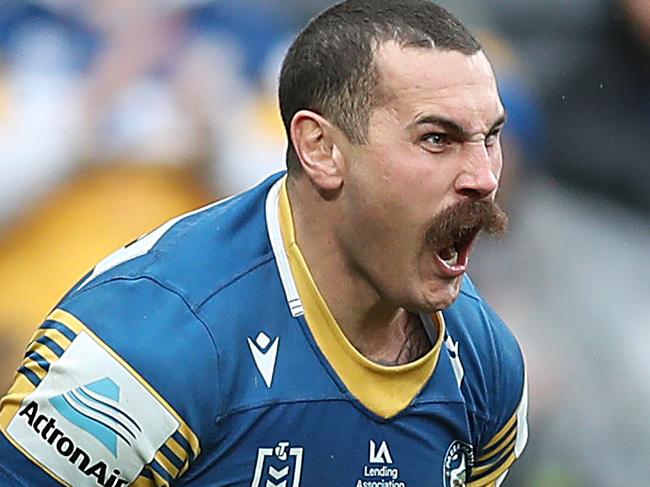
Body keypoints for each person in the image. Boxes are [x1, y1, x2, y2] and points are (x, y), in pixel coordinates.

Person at [0, 1, 528, 485]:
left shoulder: (484, 362)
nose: (484, 177)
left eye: (491, 137)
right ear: (320, 149)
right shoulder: (145, 353)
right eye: (437, 139)